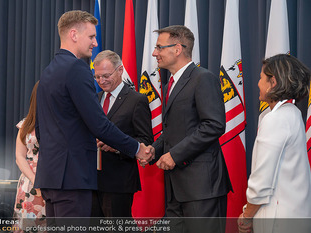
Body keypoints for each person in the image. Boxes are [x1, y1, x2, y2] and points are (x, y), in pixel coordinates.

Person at [34, 10, 152, 219]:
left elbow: (41, 130)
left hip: (51, 177)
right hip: (72, 177)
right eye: (91, 36)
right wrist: (136, 148)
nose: (95, 43)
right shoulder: (76, 69)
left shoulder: (48, 71)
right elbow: (99, 125)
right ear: (73, 34)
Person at [149, 25, 232, 233]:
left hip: (201, 188)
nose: (154, 53)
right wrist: (153, 151)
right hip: (176, 188)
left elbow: (213, 125)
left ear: (177, 49)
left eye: (159, 47)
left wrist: (174, 155)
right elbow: (175, 130)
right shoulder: (170, 85)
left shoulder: (203, 78)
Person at [238, 54, 311, 233]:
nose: (257, 83)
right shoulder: (291, 113)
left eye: (261, 78)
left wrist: (247, 217)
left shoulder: (276, 119)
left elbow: (262, 181)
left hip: (278, 220)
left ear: (274, 83)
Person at [90, 50, 153, 217]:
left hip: (118, 182)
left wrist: (117, 147)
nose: (101, 81)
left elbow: (145, 140)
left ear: (120, 70)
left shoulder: (136, 100)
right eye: (97, 77)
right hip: (90, 181)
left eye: (106, 75)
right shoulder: (93, 99)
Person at [13, 81, 46, 232]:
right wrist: (34, 179)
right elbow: (19, 157)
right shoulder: (25, 125)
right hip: (29, 182)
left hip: (53, 182)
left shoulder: (61, 124)